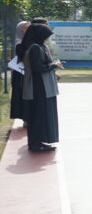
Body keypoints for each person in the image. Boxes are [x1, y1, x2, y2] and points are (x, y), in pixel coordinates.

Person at [21, 23, 61, 152]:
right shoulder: (35, 48)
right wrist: (54, 65)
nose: (46, 38)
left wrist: (53, 67)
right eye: (45, 36)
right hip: (39, 86)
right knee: (40, 114)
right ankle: (36, 143)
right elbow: (38, 68)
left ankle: (39, 141)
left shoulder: (39, 46)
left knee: (42, 114)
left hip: (41, 85)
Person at [9, 21, 29, 125]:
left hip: (25, 72)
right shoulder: (19, 42)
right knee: (21, 95)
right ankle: (24, 118)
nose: (28, 29)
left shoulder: (27, 40)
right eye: (26, 28)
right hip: (20, 73)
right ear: (21, 30)